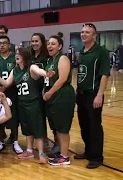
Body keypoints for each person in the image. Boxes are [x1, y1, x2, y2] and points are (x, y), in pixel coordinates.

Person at [0, 47, 48, 164]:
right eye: (16, 53)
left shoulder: (31, 67)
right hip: (21, 102)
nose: (16, 55)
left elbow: (39, 71)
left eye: (19, 54)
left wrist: (46, 73)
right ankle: (29, 151)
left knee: (37, 127)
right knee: (26, 128)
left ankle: (41, 152)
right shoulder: (15, 70)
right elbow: (6, 83)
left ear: (25, 56)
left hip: (33, 102)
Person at [31, 35, 75, 165]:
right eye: (49, 44)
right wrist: (45, 90)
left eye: (53, 44)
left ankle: (64, 157)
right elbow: (48, 79)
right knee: (57, 127)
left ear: (60, 46)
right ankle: (61, 152)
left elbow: (62, 79)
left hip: (63, 95)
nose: (50, 46)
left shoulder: (63, 58)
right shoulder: (51, 61)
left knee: (63, 128)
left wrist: (49, 93)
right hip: (53, 97)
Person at [75, 23, 110, 169]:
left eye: (87, 32)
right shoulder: (82, 51)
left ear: (94, 35)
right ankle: (88, 151)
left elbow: (104, 74)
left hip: (93, 94)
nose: (83, 34)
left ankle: (96, 157)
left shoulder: (101, 51)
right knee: (84, 125)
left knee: (95, 126)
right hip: (81, 94)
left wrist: (99, 95)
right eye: (82, 32)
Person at [0, 36, 22, 153]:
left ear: (9, 45)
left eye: (4, 43)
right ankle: (1, 140)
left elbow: (16, 75)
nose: (2, 45)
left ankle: (15, 141)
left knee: (13, 116)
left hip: (11, 91)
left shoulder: (14, 59)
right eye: (0, 44)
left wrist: (6, 86)